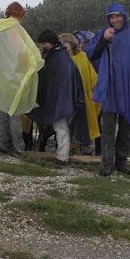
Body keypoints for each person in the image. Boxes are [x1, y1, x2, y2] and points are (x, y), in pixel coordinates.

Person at [87, 3, 130, 176]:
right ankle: (106, 165)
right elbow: (91, 55)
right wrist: (104, 40)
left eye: (118, 16)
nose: (115, 19)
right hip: (111, 89)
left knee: (127, 129)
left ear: (124, 16)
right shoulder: (103, 34)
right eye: (111, 17)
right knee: (108, 129)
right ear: (108, 19)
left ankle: (122, 162)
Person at [0, 1, 44, 155]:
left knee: (1, 113)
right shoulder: (16, 29)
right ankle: (18, 148)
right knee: (13, 114)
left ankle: (2, 144)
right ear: (20, 14)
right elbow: (25, 53)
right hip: (13, 78)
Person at [30, 30, 88, 164]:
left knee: (60, 127)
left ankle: (62, 157)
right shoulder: (59, 55)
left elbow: (56, 78)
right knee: (60, 127)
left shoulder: (58, 57)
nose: (43, 46)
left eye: (45, 43)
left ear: (50, 42)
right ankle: (62, 155)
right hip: (62, 98)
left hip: (60, 99)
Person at [59, 33, 100, 152]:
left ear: (71, 43)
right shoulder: (61, 59)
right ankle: (69, 147)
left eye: (65, 42)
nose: (63, 45)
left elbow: (92, 77)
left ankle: (86, 147)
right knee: (68, 122)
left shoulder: (82, 57)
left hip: (84, 97)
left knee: (86, 122)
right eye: (60, 43)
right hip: (67, 97)